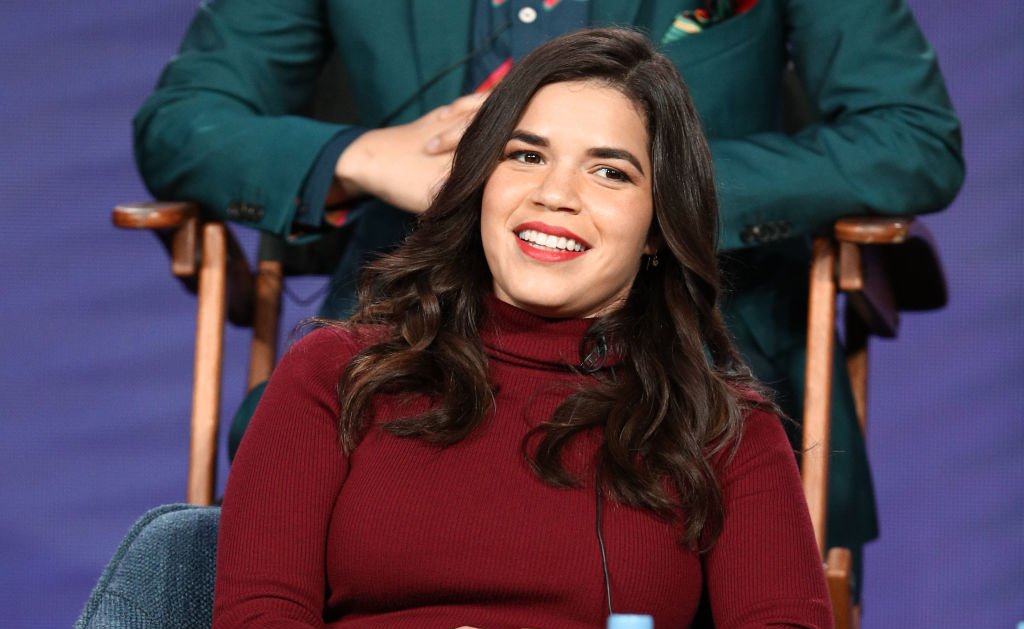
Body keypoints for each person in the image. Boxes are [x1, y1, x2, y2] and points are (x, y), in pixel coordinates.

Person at [134, 0, 965, 596]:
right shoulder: (333, 371)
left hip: (688, 346)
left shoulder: (732, 418)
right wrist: (362, 156)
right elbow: (183, 120)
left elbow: (912, 136)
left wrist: (651, 188)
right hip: (417, 325)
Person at [205, 28, 837, 629]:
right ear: (481, 181)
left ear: (659, 227)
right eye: (526, 155)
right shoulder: (336, 371)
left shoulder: (719, 426)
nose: (554, 195)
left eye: (611, 173)